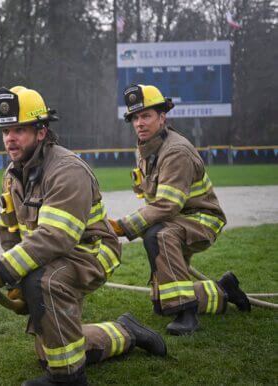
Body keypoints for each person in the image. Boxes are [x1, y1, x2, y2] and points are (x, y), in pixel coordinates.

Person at [0, 86, 167, 386]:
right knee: (51, 350)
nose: (10, 138)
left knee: (43, 282)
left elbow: (57, 236)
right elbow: (9, 230)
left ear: (42, 131)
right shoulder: (13, 174)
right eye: (6, 130)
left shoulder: (67, 170)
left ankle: (69, 378)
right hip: (54, 254)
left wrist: (3, 270)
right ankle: (127, 331)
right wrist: (14, 278)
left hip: (91, 251)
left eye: (19, 129)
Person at [109, 84, 251, 336]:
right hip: (175, 220)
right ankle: (224, 290)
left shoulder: (175, 151)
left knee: (158, 235)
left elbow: (166, 205)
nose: (139, 123)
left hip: (202, 219)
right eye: (135, 118)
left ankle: (187, 314)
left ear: (162, 117)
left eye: (146, 116)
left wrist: (122, 226)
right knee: (162, 302)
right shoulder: (144, 149)